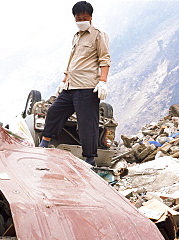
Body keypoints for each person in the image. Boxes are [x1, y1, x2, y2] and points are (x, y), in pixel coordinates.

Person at [38, 1, 110, 166]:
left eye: (84, 17)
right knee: (54, 112)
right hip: (70, 86)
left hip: (87, 87)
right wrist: (63, 80)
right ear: (74, 18)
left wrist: (103, 82)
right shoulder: (76, 36)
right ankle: (44, 143)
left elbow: (105, 59)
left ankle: (90, 159)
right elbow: (72, 61)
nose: (81, 20)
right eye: (78, 18)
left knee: (87, 124)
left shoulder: (99, 35)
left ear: (91, 17)